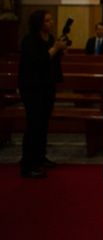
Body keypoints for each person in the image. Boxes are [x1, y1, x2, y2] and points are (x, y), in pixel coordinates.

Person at [18, 10, 68, 178]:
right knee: (33, 125)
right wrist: (55, 48)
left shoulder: (50, 38)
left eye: (51, 20)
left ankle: (40, 157)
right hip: (32, 88)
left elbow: (52, 61)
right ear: (38, 23)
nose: (51, 23)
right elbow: (38, 62)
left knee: (43, 125)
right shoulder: (29, 41)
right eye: (47, 20)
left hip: (47, 87)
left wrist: (61, 50)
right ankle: (28, 164)